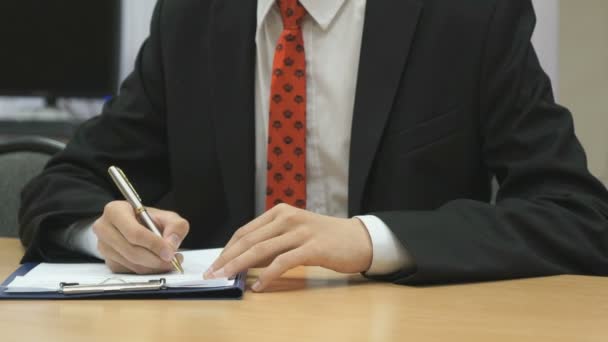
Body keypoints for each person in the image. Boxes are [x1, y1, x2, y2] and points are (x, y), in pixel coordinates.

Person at [19, 0, 608, 292]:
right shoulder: (191, 17)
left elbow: (576, 217)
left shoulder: (469, 16)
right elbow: (67, 182)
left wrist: (371, 239)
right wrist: (102, 234)